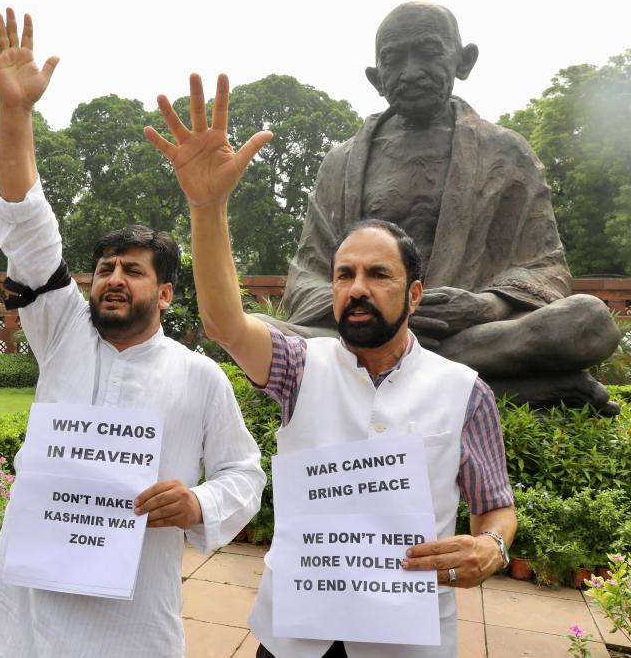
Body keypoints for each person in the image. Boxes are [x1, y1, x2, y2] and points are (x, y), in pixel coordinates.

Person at [145, 72, 517, 657]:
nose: (356, 288)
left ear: (414, 294)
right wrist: (207, 205)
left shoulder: (464, 391)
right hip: (295, 635)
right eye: (344, 275)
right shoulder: (300, 366)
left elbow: (495, 505)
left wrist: (490, 548)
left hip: (407, 640)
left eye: (377, 274)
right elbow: (223, 322)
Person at [0, 9, 265, 658]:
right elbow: (25, 223)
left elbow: (245, 475)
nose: (112, 279)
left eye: (132, 271)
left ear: (164, 293)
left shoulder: (199, 376)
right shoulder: (63, 330)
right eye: (104, 268)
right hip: (21, 622)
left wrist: (195, 502)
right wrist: (15, 114)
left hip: (130, 628)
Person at [273, 2, 620, 412]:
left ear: (464, 61)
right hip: (368, 333)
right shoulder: (341, 163)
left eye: (428, 52)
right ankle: (509, 385)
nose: (411, 71)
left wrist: (485, 305)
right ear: (376, 78)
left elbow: (546, 268)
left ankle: (389, 373)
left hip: (469, 332)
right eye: (393, 59)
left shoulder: (506, 154)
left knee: (587, 320)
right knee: (254, 331)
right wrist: (385, 311)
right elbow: (307, 279)